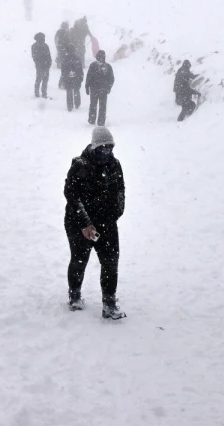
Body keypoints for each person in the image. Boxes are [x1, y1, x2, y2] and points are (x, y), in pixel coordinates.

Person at [64, 126, 126, 319]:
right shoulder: (80, 165)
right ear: (95, 146)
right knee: (79, 260)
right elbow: (71, 196)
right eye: (104, 146)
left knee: (111, 262)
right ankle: (75, 296)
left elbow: (120, 190)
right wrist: (85, 224)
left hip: (106, 222)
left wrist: (116, 213)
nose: (107, 150)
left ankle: (109, 303)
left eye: (110, 146)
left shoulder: (114, 165)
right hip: (79, 223)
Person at [85, 50, 114, 126]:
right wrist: (108, 87)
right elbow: (111, 79)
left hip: (94, 89)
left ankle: (92, 120)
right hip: (103, 90)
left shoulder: (93, 65)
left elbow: (89, 77)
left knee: (93, 105)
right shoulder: (108, 66)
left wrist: (87, 86)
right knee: (102, 106)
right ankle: (101, 122)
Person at [31, 33, 52, 98]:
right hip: (40, 65)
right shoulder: (35, 46)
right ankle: (39, 93)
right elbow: (34, 57)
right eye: (42, 38)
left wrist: (49, 63)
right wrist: (41, 63)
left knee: (43, 80)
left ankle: (42, 93)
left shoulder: (44, 46)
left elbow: (48, 56)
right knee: (40, 79)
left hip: (44, 65)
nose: (43, 39)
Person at [55, 21, 70, 90]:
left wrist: (57, 46)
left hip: (61, 48)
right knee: (64, 61)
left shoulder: (59, 32)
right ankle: (63, 83)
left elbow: (56, 39)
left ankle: (59, 64)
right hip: (65, 49)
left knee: (60, 57)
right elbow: (69, 41)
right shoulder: (67, 32)